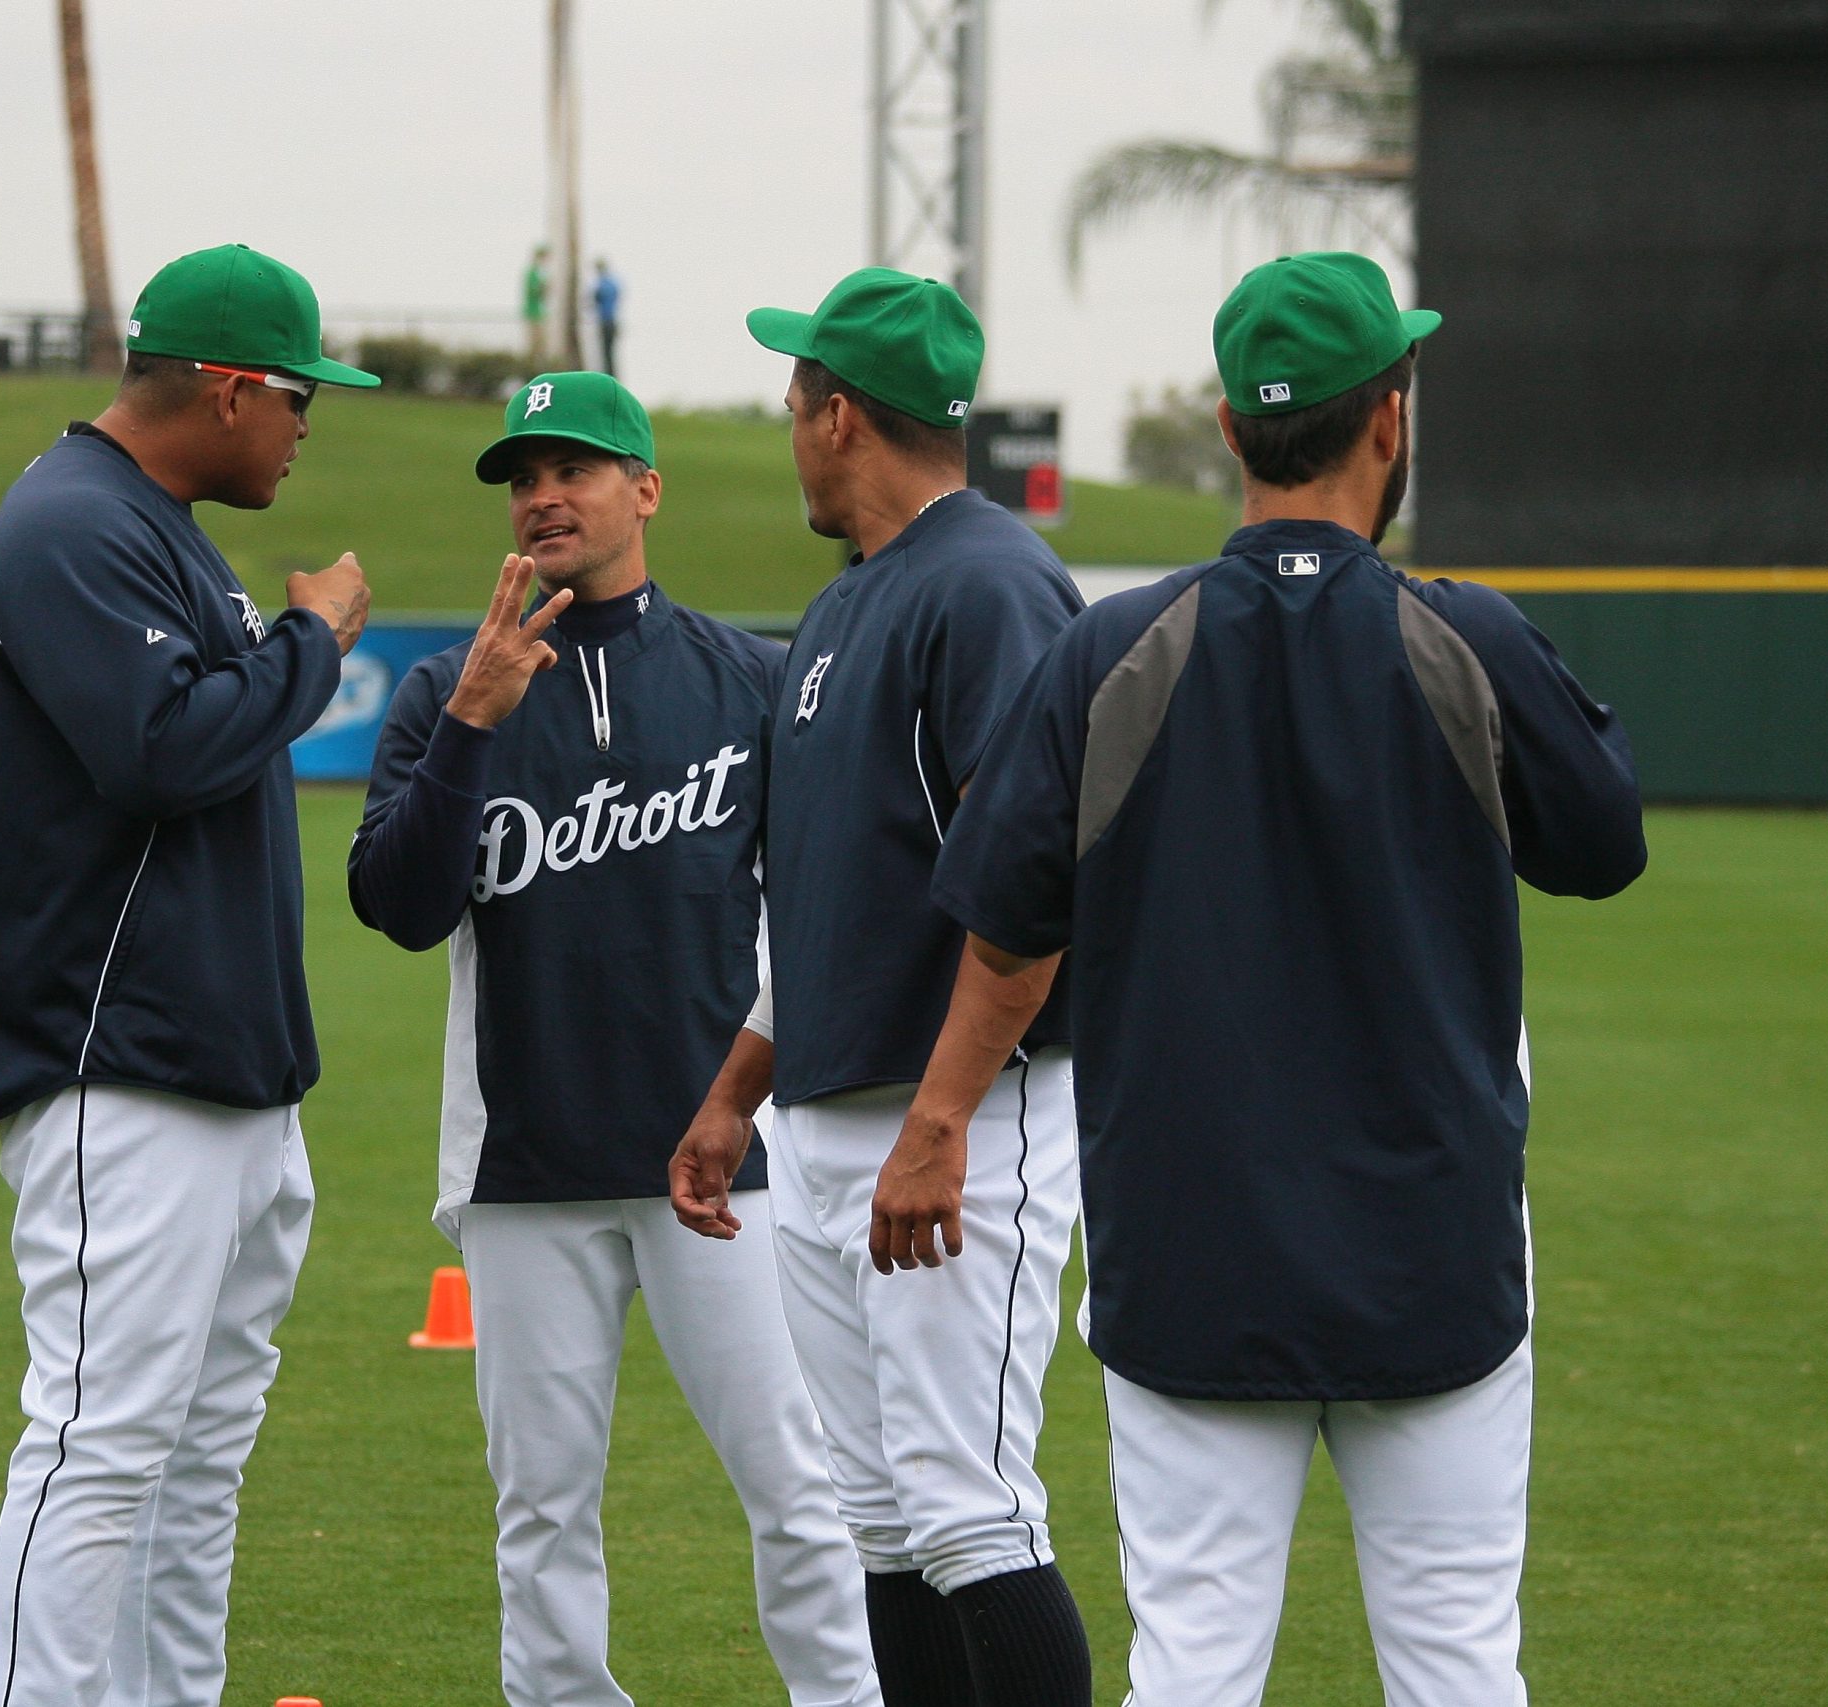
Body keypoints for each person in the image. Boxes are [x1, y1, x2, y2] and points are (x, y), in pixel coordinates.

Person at [921, 251, 1649, 1706]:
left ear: (1228, 426)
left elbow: (1002, 924)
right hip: (1429, 1249)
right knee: (1455, 1667)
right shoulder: (1468, 635)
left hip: (1191, 1248)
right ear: (1389, 417)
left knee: (1191, 1670)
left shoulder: (1108, 650)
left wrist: (942, 1107)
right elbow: (1604, 845)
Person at [350, 371, 880, 1707]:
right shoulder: (441, 690)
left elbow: (829, 911)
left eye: (575, 466)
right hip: (525, 1162)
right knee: (541, 1517)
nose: (543, 492)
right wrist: (473, 717)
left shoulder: (749, 679)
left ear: (645, 487)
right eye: (523, 474)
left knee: (802, 1485)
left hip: (728, 1165)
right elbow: (399, 906)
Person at [0, 241, 379, 1707]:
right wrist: (310, 637)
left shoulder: (154, 520)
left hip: (224, 1077)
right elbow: (164, 747)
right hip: (115, 1069)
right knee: (100, 1439)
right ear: (234, 386)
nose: (311, 422)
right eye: (301, 395)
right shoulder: (70, 519)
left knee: (193, 1458)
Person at [670, 269, 1094, 1707]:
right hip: (840, 1122)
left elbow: (1038, 882)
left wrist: (942, 1116)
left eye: (795, 399)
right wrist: (739, 1092)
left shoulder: (988, 583)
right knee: (889, 1523)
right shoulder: (858, 596)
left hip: (958, 1119)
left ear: (837, 411)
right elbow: (828, 900)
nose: (790, 426)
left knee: (969, 1504)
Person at [592, 259, 621, 380]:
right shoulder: (613, 283)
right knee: (611, 352)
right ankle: (612, 376)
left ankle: (609, 377)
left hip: (605, 321)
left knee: (606, 352)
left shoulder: (602, 284)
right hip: (613, 320)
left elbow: (596, 299)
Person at [524, 246, 551, 369]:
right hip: (534, 314)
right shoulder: (533, 273)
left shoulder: (539, 272)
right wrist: (547, 287)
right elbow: (536, 291)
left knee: (542, 346)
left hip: (540, 313)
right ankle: (534, 369)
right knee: (536, 346)